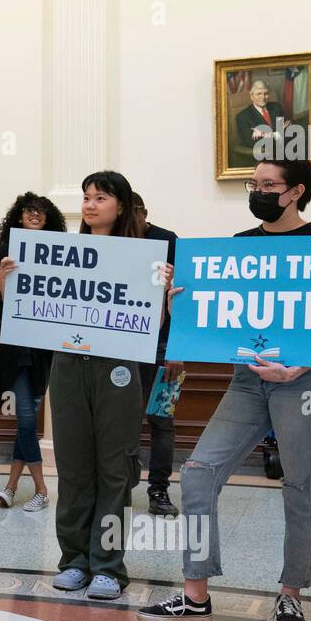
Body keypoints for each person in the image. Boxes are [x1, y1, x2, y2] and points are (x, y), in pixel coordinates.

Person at [138, 158, 311, 621]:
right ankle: (195, 595)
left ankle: (291, 595)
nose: (258, 191)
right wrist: (176, 302)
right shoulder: (238, 248)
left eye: (268, 185)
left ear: (296, 191)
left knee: (300, 482)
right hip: (249, 380)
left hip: (306, 380)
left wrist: (299, 366)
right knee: (198, 473)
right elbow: (215, 317)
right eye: (254, 184)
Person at [0, 173, 156, 600]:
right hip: (68, 364)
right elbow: (21, 314)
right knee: (72, 466)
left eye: (99, 198)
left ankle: (108, 565)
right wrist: (8, 281)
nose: (89, 205)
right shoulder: (59, 253)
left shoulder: (144, 256)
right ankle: (73, 560)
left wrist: (162, 293)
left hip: (119, 368)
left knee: (114, 468)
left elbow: (152, 324)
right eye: (85, 198)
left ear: (120, 205)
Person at [0, 192, 65, 512]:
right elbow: (1, 311)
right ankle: (43, 489)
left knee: (26, 424)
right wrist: (5, 280)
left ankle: (10, 486)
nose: (35, 215)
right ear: (19, 216)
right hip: (13, 351)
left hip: (41, 352)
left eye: (41, 212)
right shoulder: (7, 251)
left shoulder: (58, 254)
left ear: (49, 219)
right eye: (29, 211)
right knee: (28, 419)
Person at [131, 192, 182, 516]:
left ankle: (159, 490)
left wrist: (178, 348)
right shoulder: (115, 241)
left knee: (162, 420)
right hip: (126, 345)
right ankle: (121, 484)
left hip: (165, 344)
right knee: (123, 420)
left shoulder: (167, 240)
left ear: (144, 212)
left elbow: (182, 296)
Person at [236, 80, 292, 153]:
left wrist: (264, 134)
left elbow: (288, 129)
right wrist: (277, 134)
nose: (263, 97)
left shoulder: (276, 107)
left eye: (265, 93)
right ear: (252, 96)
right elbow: (251, 142)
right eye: (259, 94)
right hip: (265, 153)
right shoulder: (243, 116)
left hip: (286, 147)